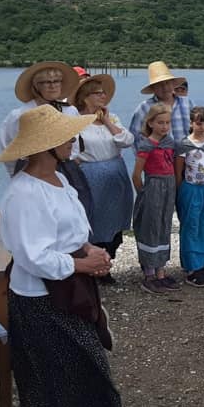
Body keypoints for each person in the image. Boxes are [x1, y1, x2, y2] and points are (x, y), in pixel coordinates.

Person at [0, 105, 121, 407]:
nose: (73, 141)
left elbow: (72, 229)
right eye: (64, 137)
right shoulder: (24, 194)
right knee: (40, 365)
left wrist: (89, 249)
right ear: (43, 146)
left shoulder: (60, 179)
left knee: (76, 359)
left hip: (68, 284)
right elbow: (32, 256)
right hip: (38, 294)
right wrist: (82, 263)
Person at [74, 72, 134, 284]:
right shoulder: (75, 120)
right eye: (97, 93)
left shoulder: (112, 118)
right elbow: (72, 151)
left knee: (115, 223)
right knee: (93, 222)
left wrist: (106, 120)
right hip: (90, 178)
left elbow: (126, 140)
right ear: (85, 97)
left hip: (115, 176)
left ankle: (107, 263)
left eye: (103, 92)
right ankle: (92, 267)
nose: (103, 96)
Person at [0, 62, 82, 176]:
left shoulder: (71, 111)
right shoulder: (20, 115)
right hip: (32, 171)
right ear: (36, 86)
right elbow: (8, 148)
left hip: (67, 169)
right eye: (46, 82)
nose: (52, 86)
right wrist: (17, 175)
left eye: (56, 81)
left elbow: (75, 144)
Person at [131, 103, 180, 293]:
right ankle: (149, 274)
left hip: (168, 189)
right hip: (154, 188)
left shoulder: (170, 143)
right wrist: (144, 194)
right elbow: (136, 175)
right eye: (160, 122)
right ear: (150, 123)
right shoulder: (146, 145)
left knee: (164, 226)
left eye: (167, 123)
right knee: (150, 227)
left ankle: (161, 271)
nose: (164, 126)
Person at [175, 106, 204, 288]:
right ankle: (192, 267)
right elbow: (178, 172)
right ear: (192, 123)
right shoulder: (184, 144)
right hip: (191, 189)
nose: (202, 127)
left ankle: (201, 263)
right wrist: (180, 193)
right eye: (198, 123)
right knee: (191, 227)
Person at [128, 61, 193, 143]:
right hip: (157, 155)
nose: (165, 87)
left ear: (173, 84)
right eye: (160, 84)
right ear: (153, 88)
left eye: (167, 83)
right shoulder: (144, 108)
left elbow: (200, 128)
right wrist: (146, 154)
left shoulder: (188, 103)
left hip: (187, 154)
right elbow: (135, 136)